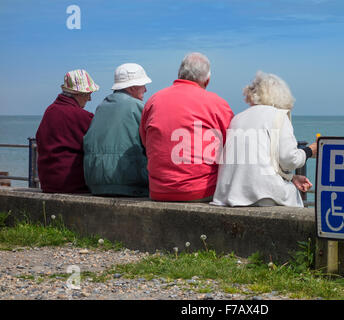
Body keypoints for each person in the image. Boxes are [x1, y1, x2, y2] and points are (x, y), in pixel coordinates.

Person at [211, 71, 317, 207]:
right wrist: (310, 151)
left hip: (229, 195)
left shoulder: (237, 118)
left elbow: (253, 164)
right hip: (262, 196)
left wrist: (291, 178)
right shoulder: (278, 116)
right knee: (293, 197)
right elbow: (290, 160)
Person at [140, 52, 234, 202]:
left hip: (158, 191)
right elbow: (231, 147)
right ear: (207, 81)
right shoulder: (217, 104)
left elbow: (146, 142)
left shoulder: (153, 101)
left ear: (179, 74)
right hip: (201, 191)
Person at [83, 63, 152, 197]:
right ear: (132, 87)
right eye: (143, 85)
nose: (146, 90)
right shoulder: (137, 106)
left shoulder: (101, 107)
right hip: (130, 184)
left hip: (96, 184)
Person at [36, 69, 99, 193]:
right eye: (88, 94)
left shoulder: (50, 111)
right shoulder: (83, 116)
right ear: (79, 94)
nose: (90, 99)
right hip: (72, 183)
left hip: (47, 182)